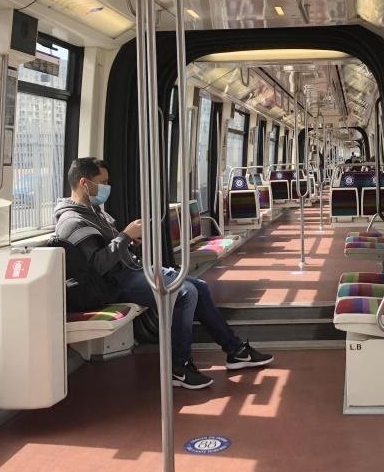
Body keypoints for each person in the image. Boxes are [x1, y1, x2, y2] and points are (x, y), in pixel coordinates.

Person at [53, 157, 274, 390]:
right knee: (184, 293)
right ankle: (179, 366)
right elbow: (97, 266)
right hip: (114, 284)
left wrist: (129, 242)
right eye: (103, 182)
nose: (107, 188)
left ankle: (235, 350)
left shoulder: (96, 213)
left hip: (130, 271)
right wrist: (125, 236)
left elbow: (111, 250)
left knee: (200, 287)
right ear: (84, 183)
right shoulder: (73, 221)